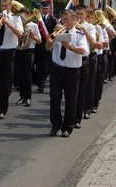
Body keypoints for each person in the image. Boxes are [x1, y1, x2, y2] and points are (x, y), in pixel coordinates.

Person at [46, 9, 88, 137]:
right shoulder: (57, 33)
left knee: (71, 101)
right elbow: (47, 47)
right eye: (63, 19)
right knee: (54, 99)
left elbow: (83, 51)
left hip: (72, 72)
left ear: (75, 21)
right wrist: (52, 35)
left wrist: (69, 46)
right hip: (57, 70)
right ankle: (55, 125)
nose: (64, 22)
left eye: (67, 20)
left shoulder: (80, 35)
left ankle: (67, 127)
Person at [15, 6, 42, 107]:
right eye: (20, 15)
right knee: (20, 74)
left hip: (29, 50)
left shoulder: (33, 25)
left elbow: (39, 41)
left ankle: (28, 97)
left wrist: (32, 35)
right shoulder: (18, 24)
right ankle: (22, 96)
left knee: (27, 74)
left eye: (24, 14)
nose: (22, 16)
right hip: (19, 49)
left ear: (28, 14)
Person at [33, 1, 57, 93]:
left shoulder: (52, 20)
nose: (45, 10)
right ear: (41, 9)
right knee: (37, 66)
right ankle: (38, 82)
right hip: (37, 45)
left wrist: (52, 45)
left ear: (49, 9)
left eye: (47, 8)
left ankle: (41, 85)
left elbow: (54, 33)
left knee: (44, 66)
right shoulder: (36, 19)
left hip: (47, 46)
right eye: (43, 8)